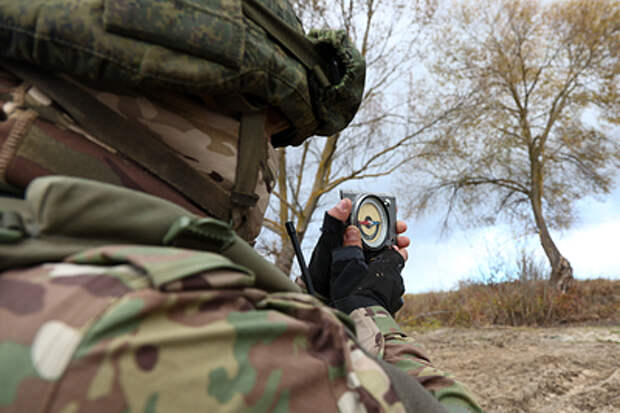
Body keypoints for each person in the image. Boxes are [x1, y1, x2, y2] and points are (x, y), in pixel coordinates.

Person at [0, 2, 483, 412]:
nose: (271, 162)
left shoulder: (43, 245)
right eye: (272, 135)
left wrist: (316, 298)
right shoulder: (148, 326)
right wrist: (366, 310)